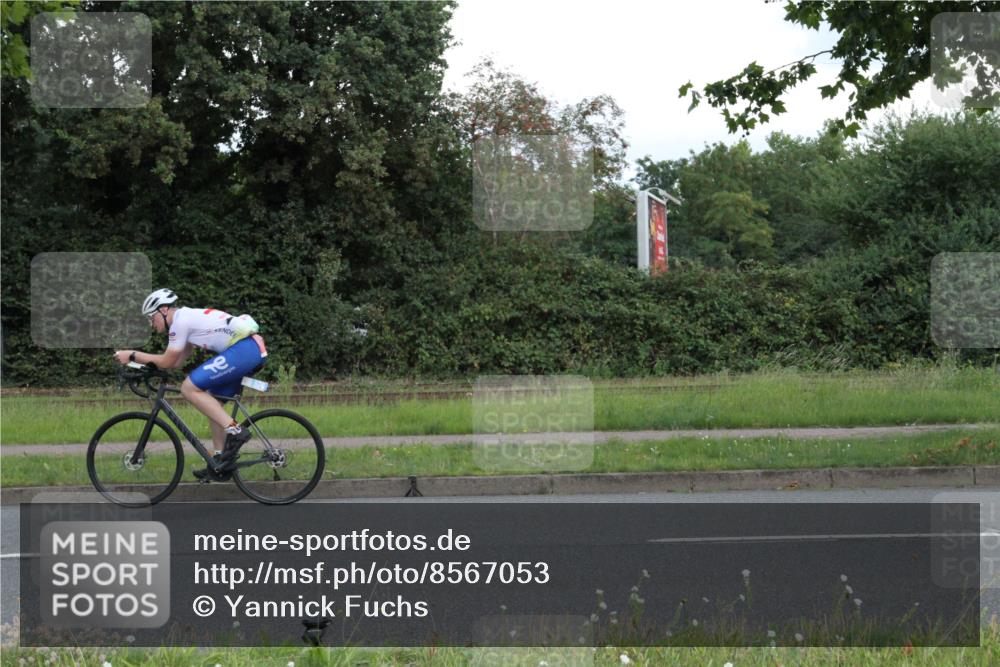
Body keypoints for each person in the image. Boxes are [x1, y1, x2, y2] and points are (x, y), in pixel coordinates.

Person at [114, 288, 268, 480]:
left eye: (151, 317)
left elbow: (167, 361)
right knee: (212, 402)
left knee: (188, 388)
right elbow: (175, 363)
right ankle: (220, 461)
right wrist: (145, 367)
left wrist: (132, 355)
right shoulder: (185, 320)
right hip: (247, 349)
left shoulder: (180, 322)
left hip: (244, 349)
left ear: (163, 310)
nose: (151, 324)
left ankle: (236, 431)